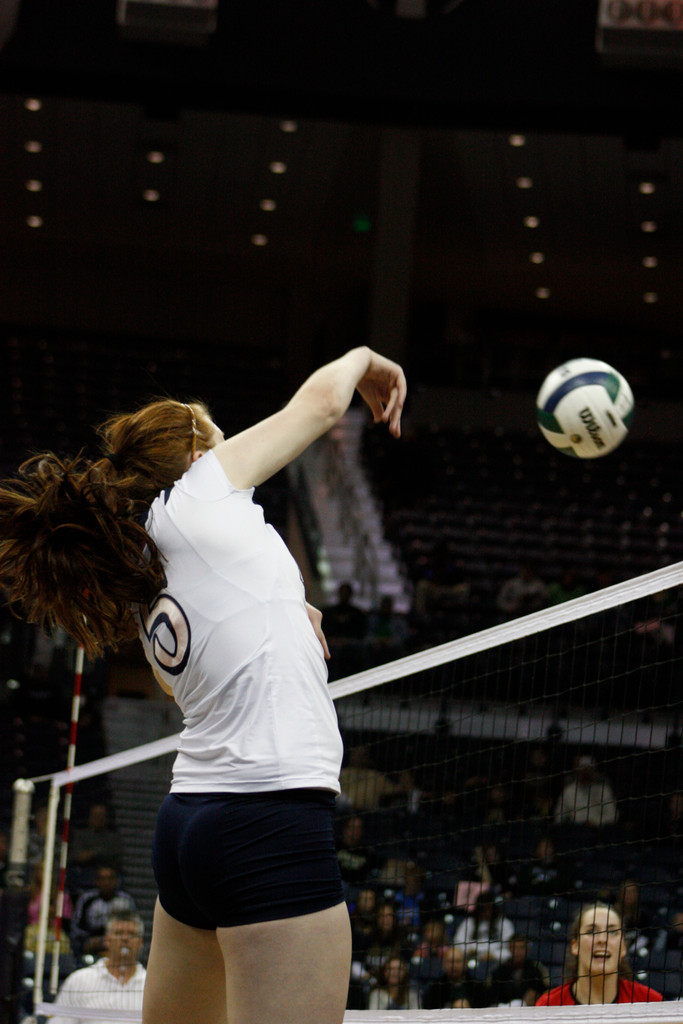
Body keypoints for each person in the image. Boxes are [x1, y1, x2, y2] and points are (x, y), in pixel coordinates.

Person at [0, 346, 407, 1024]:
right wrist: (361, 358)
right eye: (212, 428)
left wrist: (289, 601)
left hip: (190, 826)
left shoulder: (148, 573)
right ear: (193, 455)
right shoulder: (201, 493)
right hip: (268, 819)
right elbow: (319, 405)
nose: (224, 437)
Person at [535, 902, 662, 1005]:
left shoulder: (649, 1002)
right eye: (591, 932)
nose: (602, 939)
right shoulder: (549, 1005)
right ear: (575, 945)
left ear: (623, 947)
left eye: (612, 932)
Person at [49, 911, 146, 1024]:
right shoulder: (79, 980)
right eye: (119, 933)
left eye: (131, 934)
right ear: (107, 940)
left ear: (141, 942)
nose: (125, 939)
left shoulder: (152, 985)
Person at [70, 865, 137, 958]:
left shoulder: (125, 900)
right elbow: (77, 926)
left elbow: (134, 925)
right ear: (96, 881)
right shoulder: (87, 899)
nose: (106, 882)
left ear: (116, 881)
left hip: (118, 939)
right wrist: (89, 940)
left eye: (110, 878)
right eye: (102, 879)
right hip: (92, 942)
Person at [554, 754, 619, 828]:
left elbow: (613, 815)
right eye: (583, 770)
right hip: (576, 830)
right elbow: (559, 816)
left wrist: (597, 823)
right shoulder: (569, 791)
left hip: (599, 830)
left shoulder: (604, 791)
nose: (585, 773)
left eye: (588, 770)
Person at [452, 890, 515, 965]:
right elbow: (457, 943)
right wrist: (468, 950)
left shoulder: (505, 923)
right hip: (470, 959)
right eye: (483, 909)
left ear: (494, 908)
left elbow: (510, 950)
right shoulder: (469, 922)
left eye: (489, 909)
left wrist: (494, 955)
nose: (486, 912)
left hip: (497, 962)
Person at [488, 934, 548, 1006]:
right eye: (514, 947)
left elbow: (545, 992)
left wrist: (535, 996)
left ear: (527, 950)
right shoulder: (498, 971)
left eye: (521, 948)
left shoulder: (537, 970)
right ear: (510, 949)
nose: (518, 951)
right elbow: (492, 998)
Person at [421, 944, 475, 1010]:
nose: (454, 966)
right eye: (450, 962)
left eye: (458, 961)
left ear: (465, 963)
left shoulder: (477, 987)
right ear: (444, 964)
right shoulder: (435, 989)